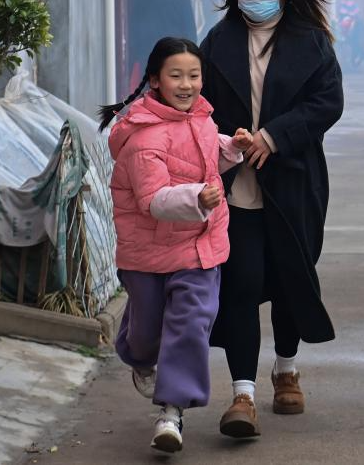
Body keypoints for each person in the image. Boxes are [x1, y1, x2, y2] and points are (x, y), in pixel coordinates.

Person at [200, 0, 344, 437]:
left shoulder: (310, 41)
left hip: (293, 183)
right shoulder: (217, 42)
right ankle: (242, 394)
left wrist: (274, 136)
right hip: (235, 186)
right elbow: (198, 107)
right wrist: (231, 141)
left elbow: (328, 102)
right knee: (241, 284)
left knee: (288, 279)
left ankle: (286, 369)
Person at [99, 37, 253, 453]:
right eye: (176, 76)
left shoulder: (201, 119)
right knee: (146, 337)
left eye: (194, 75)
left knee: (190, 323)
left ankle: (171, 412)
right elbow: (152, 200)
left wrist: (232, 148)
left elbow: (203, 157)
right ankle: (137, 352)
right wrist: (197, 197)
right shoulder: (143, 137)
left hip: (199, 248)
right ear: (155, 80)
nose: (187, 85)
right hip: (147, 254)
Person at [128, 0, 197, 87]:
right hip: (173, 54)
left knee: (149, 90)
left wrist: (135, 54)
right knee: (171, 90)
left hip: (147, 54)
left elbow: (133, 25)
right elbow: (190, 30)